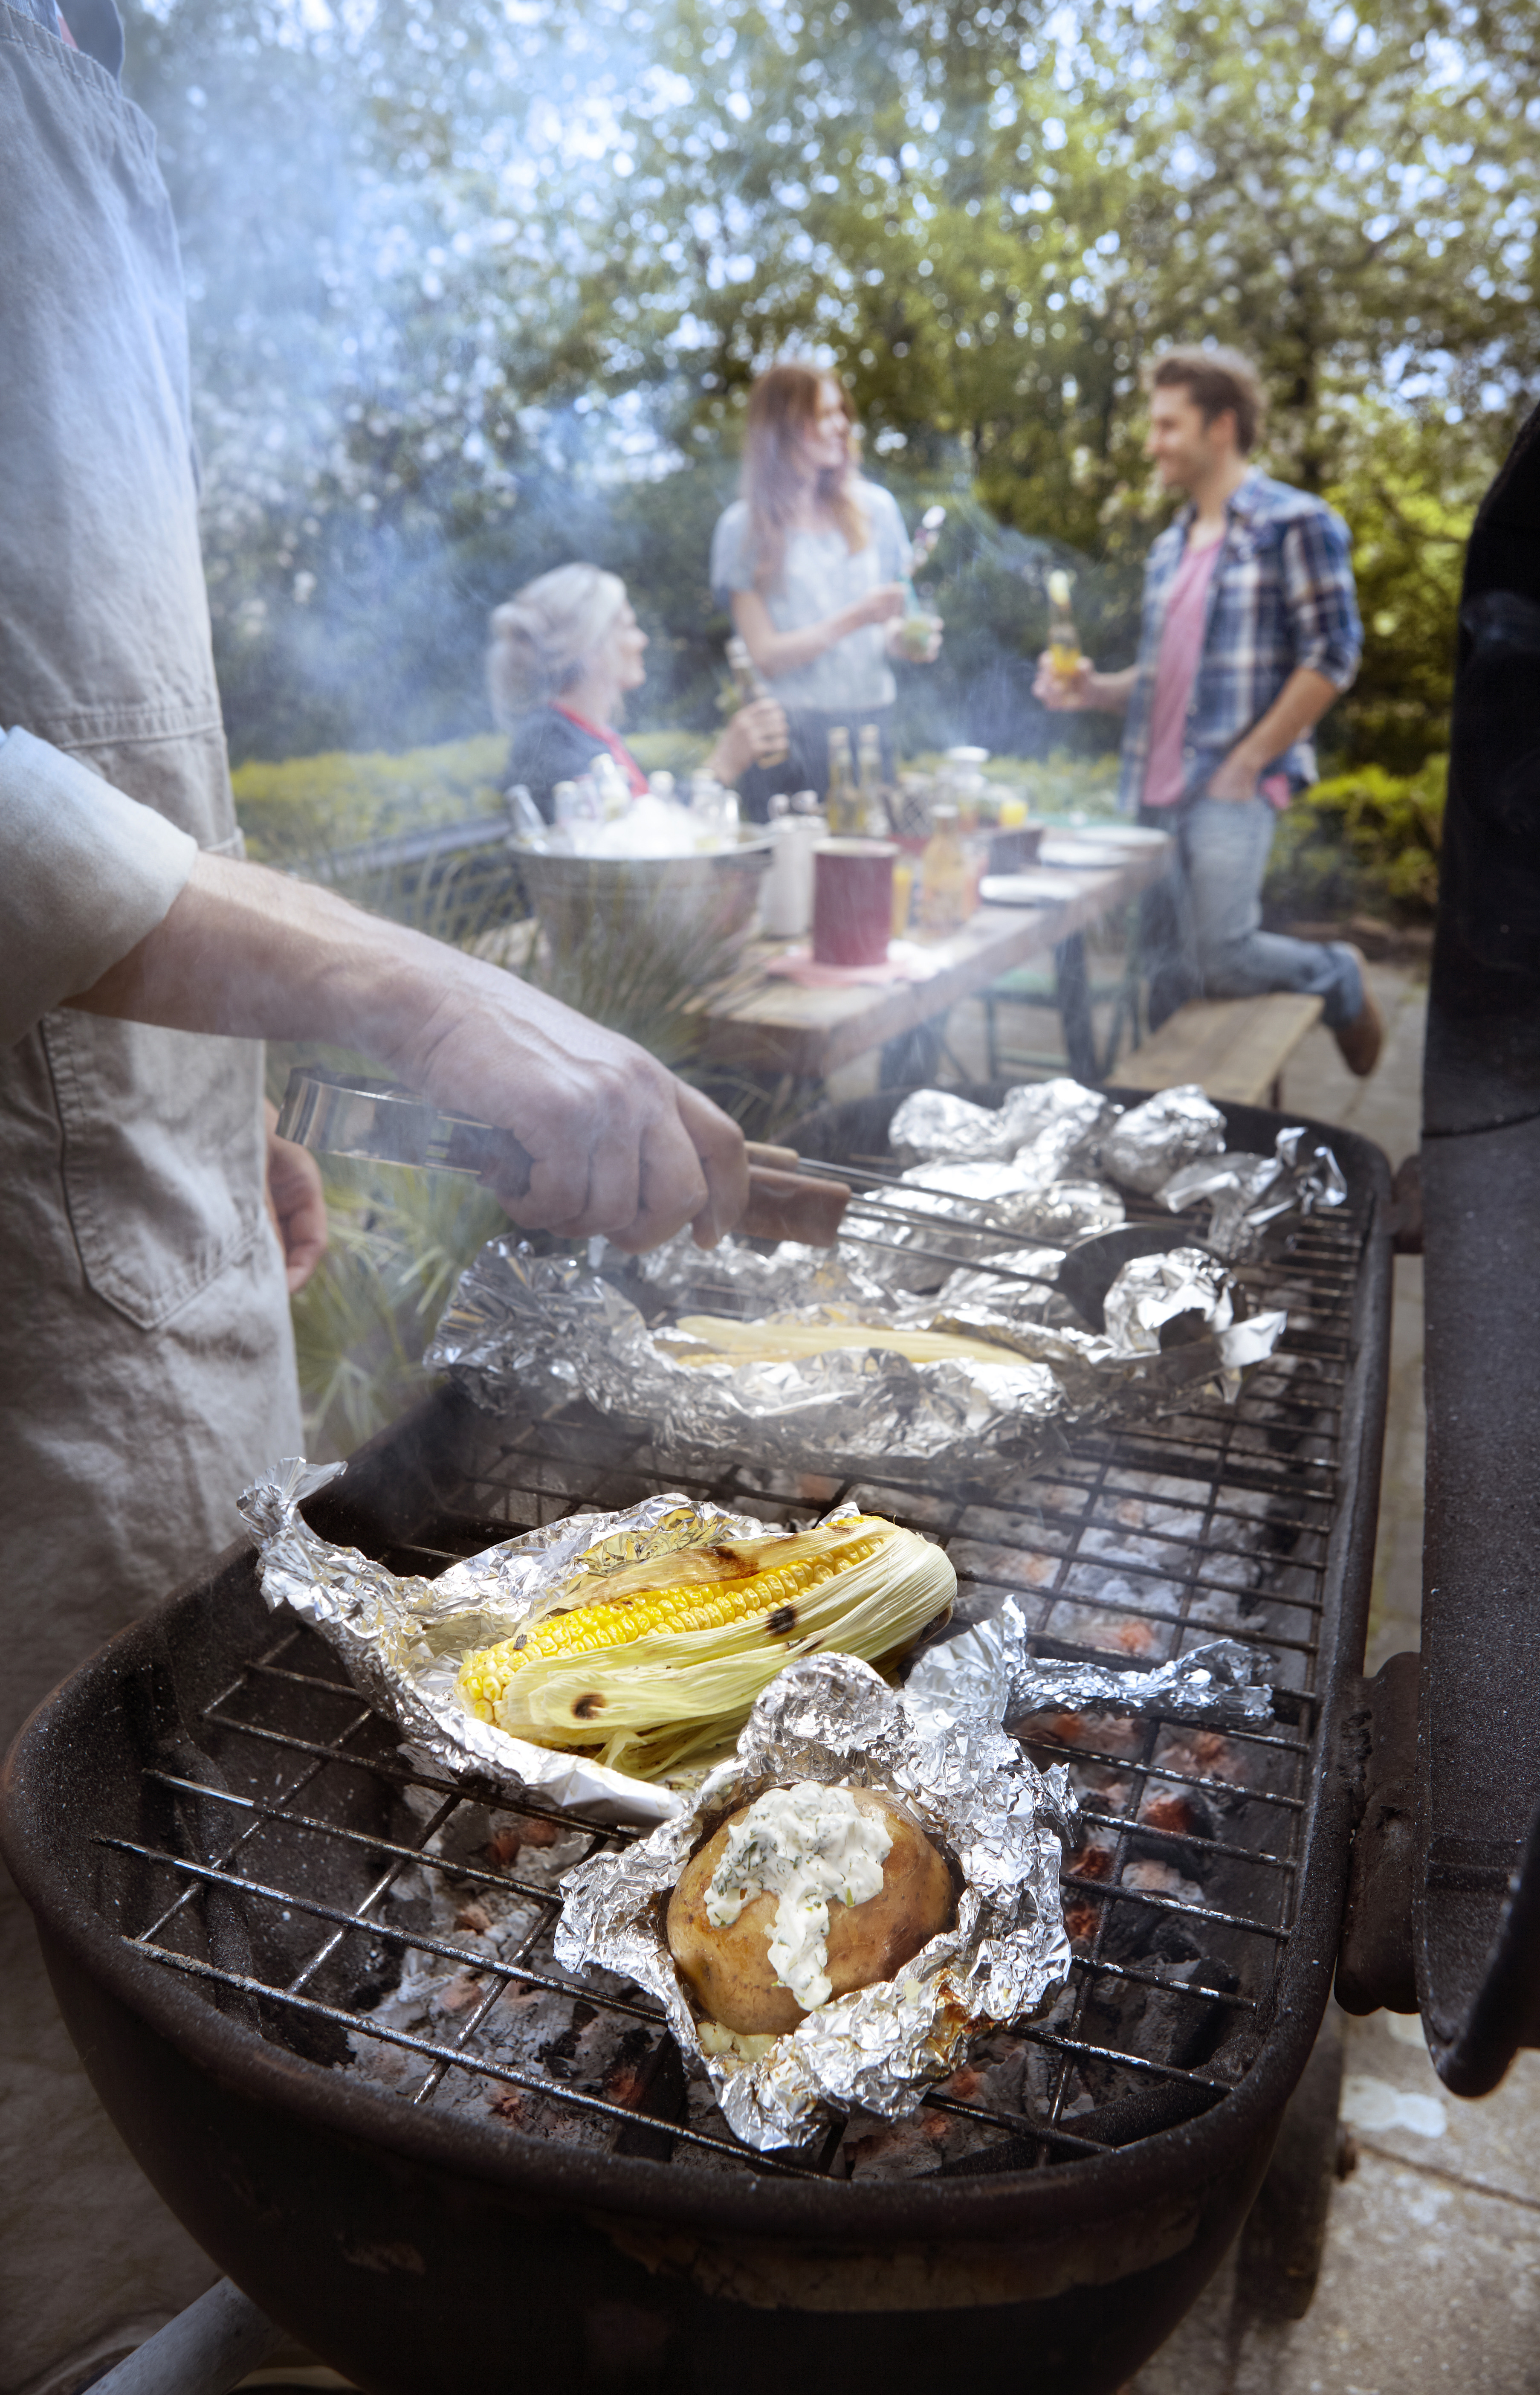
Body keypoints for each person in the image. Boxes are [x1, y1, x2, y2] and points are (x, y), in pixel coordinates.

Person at [0, 13, 745, 2384]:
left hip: (135, 1210)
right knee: (54, 2075)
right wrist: (422, 992)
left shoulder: (70, 78)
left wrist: (205, 1096)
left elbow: (91, 711)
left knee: (222, 1969)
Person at [1035, 345, 1383, 1074]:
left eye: (1168, 425)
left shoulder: (1295, 522)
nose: (1152, 443)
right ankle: (1178, 1126)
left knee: (1222, 956)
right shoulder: (1169, 548)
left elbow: (1333, 655)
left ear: (1221, 426)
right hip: (1153, 792)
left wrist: (1249, 762)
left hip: (1231, 786)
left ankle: (1338, 976)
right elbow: (1168, 679)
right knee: (1168, 983)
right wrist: (1094, 690)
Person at [711, 363, 942, 812]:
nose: (841, 426)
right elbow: (766, 656)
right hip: (785, 740)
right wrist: (857, 617)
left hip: (870, 730)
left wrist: (905, 640)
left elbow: (887, 629)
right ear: (782, 430)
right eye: (822, 415)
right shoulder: (743, 529)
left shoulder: (875, 510)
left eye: (841, 412)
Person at [492, 562, 787, 823]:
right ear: (591, 648)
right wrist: (721, 766)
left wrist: (723, 767)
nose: (642, 640)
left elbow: (648, 819)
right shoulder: (549, 741)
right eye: (629, 627)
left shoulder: (591, 734)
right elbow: (627, 846)